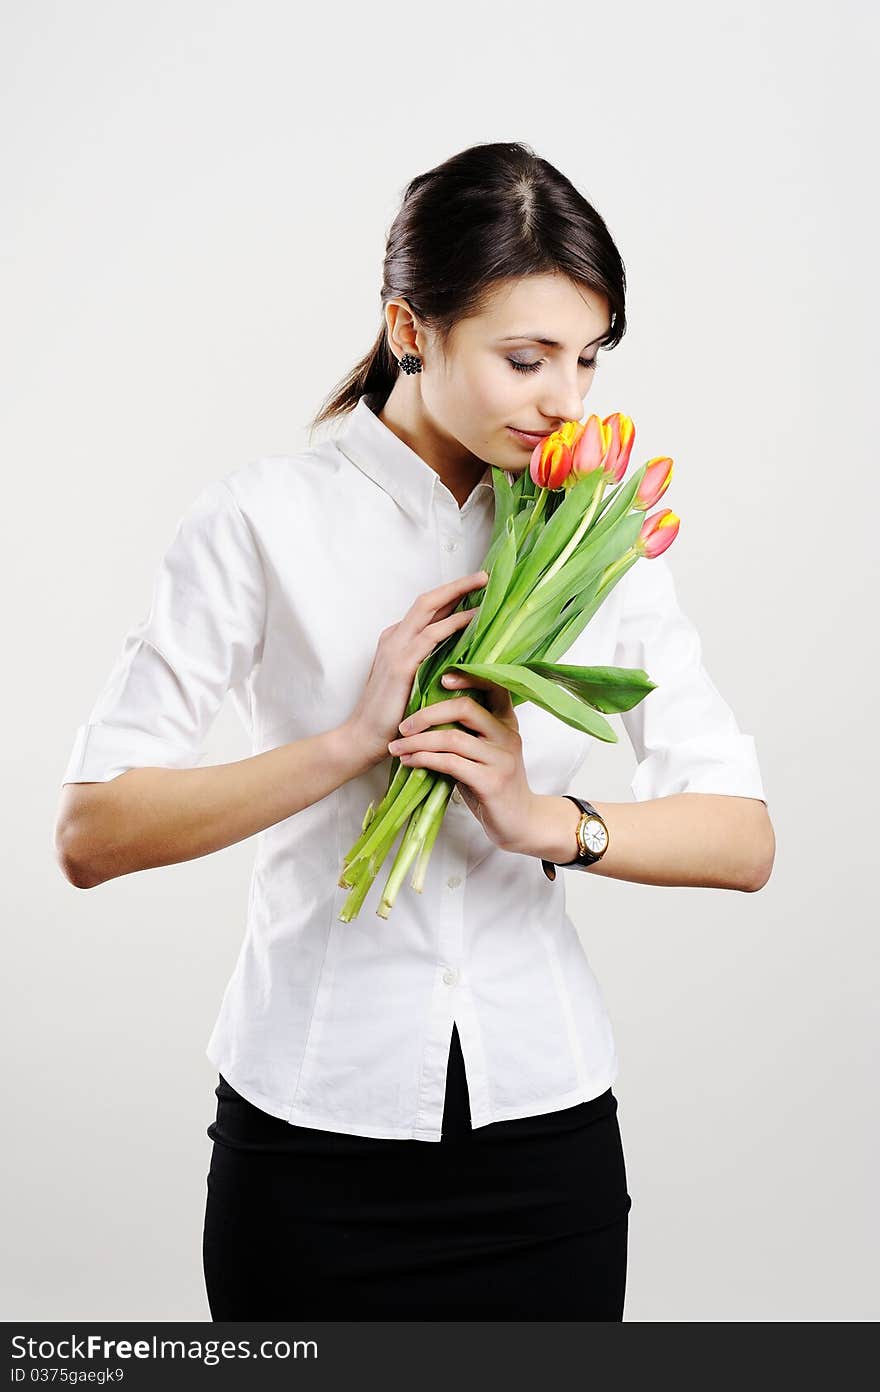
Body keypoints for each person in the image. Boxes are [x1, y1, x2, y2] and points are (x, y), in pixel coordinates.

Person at [55, 140, 775, 1322]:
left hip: (545, 1143)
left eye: (588, 361)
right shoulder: (260, 520)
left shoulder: (596, 542)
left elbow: (740, 837)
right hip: (308, 1141)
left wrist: (541, 819)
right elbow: (91, 832)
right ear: (409, 327)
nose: (566, 402)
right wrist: (348, 746)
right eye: (526, 358)